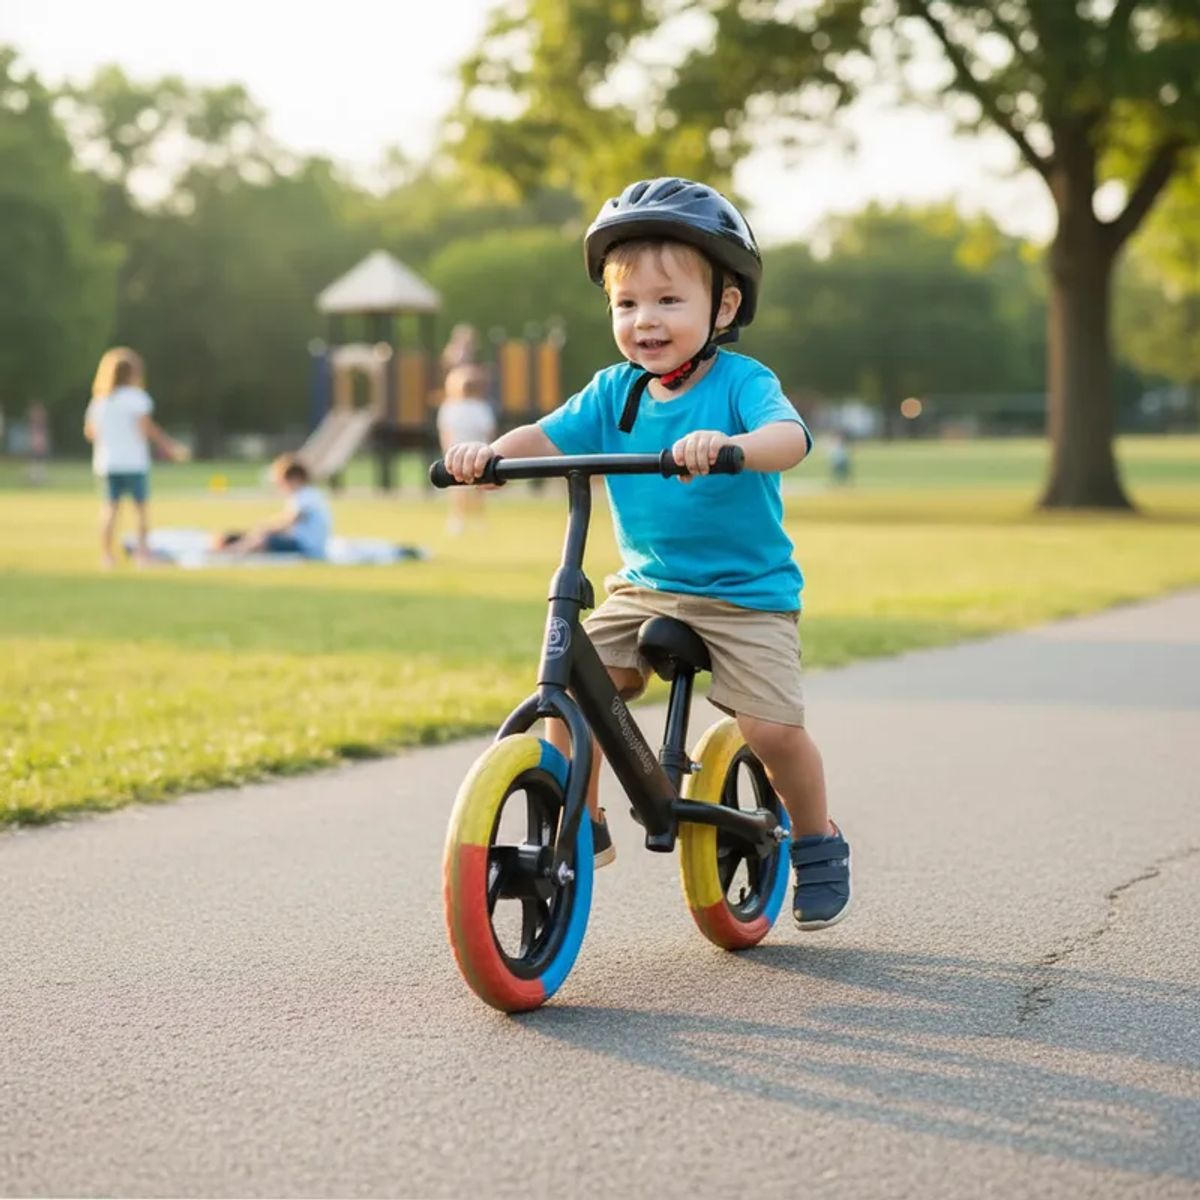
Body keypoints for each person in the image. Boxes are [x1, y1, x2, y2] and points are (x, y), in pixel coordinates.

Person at [444, 178, 850, 931]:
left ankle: (817, 841)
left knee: (770, 731)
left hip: (746, 595)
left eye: (668, 300)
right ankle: (579, 816)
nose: (645, 320)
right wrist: (489, 456)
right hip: (647, 587)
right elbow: (544, 436)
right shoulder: (613, 391)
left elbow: (789, 439)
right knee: (575, 681)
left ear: (723, 307)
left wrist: (731, 445)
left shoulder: (742, 383)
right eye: (626, 304)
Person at [84, 348, 189, 568]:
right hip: (133, 462)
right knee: (140, 510)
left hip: (107, 462)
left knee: (110, 509)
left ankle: (107, 556)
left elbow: (90, 433)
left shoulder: (100, 401)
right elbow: (146, 429)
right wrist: (169, 447)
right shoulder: (137, 398)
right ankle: (142, 555)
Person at [215, 454, 332, 559]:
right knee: (243, 537)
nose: (280, 487)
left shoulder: (307, 496)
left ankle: (230, 552)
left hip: (307, 547)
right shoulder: (302, 495)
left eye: (282, 482)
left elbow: (289, 522)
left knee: (263, 539)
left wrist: (264, 529)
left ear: (294, 479)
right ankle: (229, 547)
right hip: (301, 542)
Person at [437, 364, 497, 534]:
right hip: (461, 452)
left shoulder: (474, 407)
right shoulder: (455, 407)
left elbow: (446, 432)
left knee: (475, 488)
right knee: (463, 489)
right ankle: (461, 517)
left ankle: (472, 518)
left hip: (475, 453)